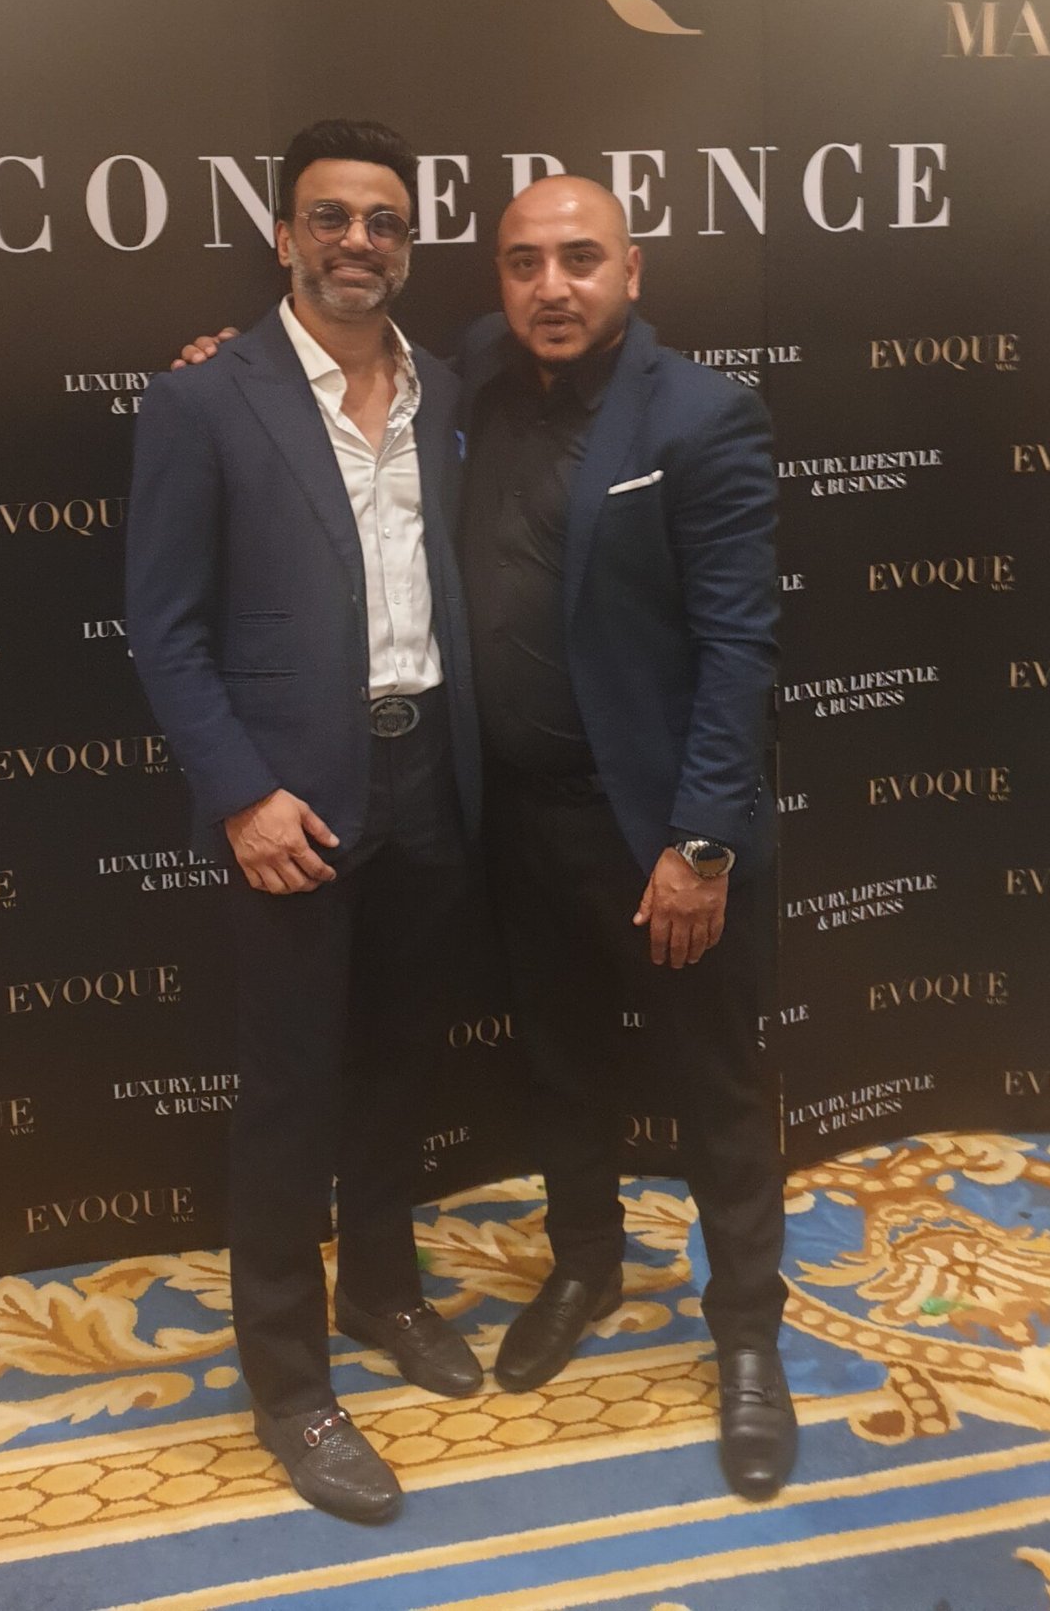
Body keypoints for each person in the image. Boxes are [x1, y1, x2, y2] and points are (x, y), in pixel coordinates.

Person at [173, 173, 795, 1501]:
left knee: (718, 1092)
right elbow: (282, 394)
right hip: (503, 816)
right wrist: (229, 368)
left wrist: (702, 843)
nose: (552, 286)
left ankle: (748, 1336)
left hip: (664, 834)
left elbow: (742, 646)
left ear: (634, 269)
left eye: (581, 258)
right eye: (523, 262)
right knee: (558, 1068)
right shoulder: (468, 382)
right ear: (495, 279)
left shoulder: (702, 414)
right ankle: (584, 1264)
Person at [127, 119, 483, 1526]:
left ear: (410, 245)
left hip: (430, 777)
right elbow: (163, 627)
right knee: (288, 1096)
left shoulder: (451, 390)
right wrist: (240, 793)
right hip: (288, 802)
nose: (357, 242)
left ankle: (384, 1289)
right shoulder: (203, 400)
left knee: (399, 1064)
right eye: (330, 217)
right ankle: (289, 1384)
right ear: (284, 237)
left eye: (384, 221)